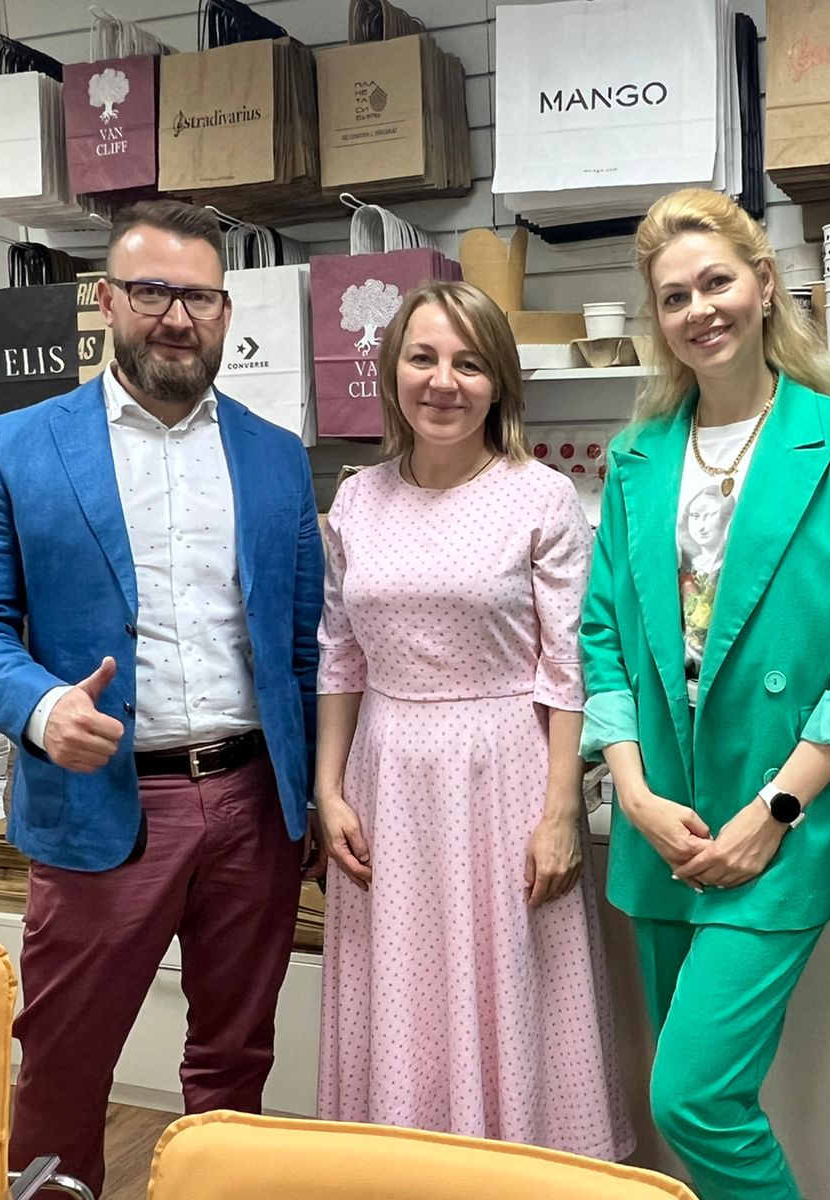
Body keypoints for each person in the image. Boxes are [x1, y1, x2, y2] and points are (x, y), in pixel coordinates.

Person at [0, 199, 324, 1197]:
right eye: (152, 293)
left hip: (252, 806)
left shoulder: (276, 455)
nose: (177, 318)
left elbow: (301, 645)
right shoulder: (19, 445)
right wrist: (39, 707)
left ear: (225, 311)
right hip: (101, 803)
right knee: (65, 1063)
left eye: (199, 297)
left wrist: (311, 793)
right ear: (105, 301)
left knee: (235, 1060)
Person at [579, 187, 830, 1200]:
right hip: (663, 824)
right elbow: (602, 640)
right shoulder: (636, 457)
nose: (699, 310)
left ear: (764, 285)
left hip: (777, 820)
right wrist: (633, 795)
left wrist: (774, 813)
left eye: (715, 282)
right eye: (674, 296)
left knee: (694, 1099)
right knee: (691, 1102)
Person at [313, 280, 632, 1160]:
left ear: (500, 383)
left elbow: (568, 668)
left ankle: (518, 1169)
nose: (443, 382)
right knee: (400, 989)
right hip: (385, 779)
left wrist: (562, 812)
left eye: (469, 363)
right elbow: (340, 653)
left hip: (503, 778)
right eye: (423, 358)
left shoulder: (540, 497)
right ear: (392, 370)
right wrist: (327, 790)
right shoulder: (357, 499)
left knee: (510, 987)